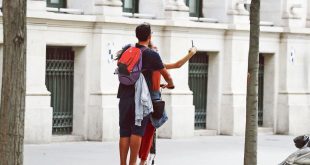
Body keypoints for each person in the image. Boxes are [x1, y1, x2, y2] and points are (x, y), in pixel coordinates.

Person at [117, 22, 174, 165]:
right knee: (137, 131)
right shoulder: (151, 53)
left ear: (137, 36)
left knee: (124, 132)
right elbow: (166, 75)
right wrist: (171, 84)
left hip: (124, 96)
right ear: (149, 36)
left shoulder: (126, 51)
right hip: (141, 99)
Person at [138, 43, 197, 165]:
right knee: (149, 132)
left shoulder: (141, 65)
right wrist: (191, 53)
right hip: (153, 101)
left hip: (139, 100)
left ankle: (139, 159)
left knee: (139, 132)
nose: (157, 51)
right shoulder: (159, 65)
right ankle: (142, 161)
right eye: (155, 50)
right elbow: (178, 65)